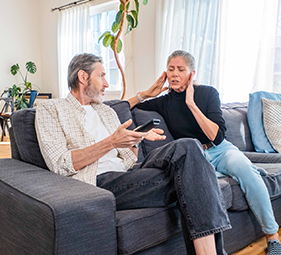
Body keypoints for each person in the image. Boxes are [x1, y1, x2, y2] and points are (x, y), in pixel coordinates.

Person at [35, 53, 231, 255]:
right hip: (97, 182)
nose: (106, 83)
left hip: (128, 173)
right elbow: (60, 164)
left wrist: (137, 139)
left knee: (188, 146)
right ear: (83, 77)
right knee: (196, 179)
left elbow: (129, 160)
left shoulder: (105, 111)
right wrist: (111, 142)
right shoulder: (51, 109)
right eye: (101, 76)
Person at [129, 50, 281, 255]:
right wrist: (146, 94)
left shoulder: (208, 93)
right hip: (194, 158)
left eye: (180, 69)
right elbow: (120, 108)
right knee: (201, 184)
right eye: (171, 69)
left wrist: (191, 104)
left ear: (192, 73)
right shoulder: (164, 102)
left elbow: (216, 137)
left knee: (245, 170)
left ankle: (273, 238)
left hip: (220, 150)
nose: (174, 74)